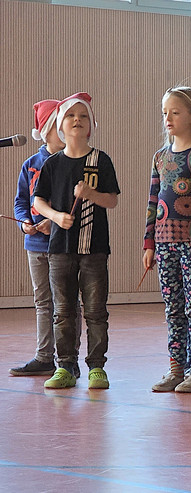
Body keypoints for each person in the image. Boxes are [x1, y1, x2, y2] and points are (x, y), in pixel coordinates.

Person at [34, 92, 120, 389]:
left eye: (83, 116)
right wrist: (56, 217)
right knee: (63, 311)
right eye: (71, 115)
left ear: (91, 125)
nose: (77, 120)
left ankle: (96, 366)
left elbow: (112, 200)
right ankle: (66, 366)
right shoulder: (52, 164)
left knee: (95, 311)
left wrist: (91, 194)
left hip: (94, 248)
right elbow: (38, 201)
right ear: (60, 124)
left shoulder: (101, 160)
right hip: (60, 249)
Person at [144, 87, 191, 393]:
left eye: (175, 112)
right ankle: (176, 367)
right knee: (173, 308)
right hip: (165, 244)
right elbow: (153, 201)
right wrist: (149, 243)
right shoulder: (160, 157)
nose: (168, 118)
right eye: (165, 113)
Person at [9, 98, 80, 377]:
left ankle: (69, 359)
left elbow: (78, 204)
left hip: (64, 245)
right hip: (36, 245)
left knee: (68, 302)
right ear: (46, 130)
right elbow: (21, 202)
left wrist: (56, 222)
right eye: (57, 124)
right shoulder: (31, 164)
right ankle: (44, 356)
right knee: (43, 302)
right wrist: (25, 223)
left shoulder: (72, 162)